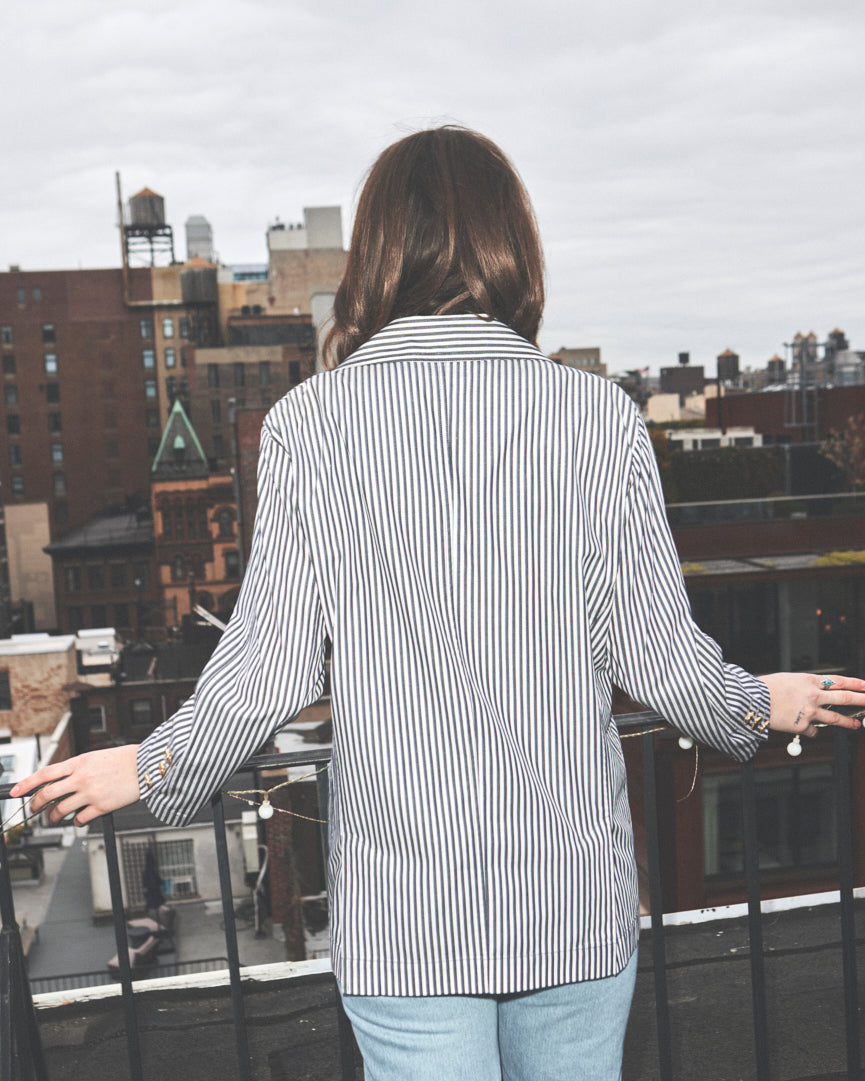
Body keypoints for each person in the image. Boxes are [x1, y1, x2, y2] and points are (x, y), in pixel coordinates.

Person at [12, 126, 865, 1081]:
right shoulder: (598, 418)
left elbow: (270, 668)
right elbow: (656, 656)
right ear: (513, 245)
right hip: (570, 900)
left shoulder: (312, 424)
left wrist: (151, 766)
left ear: (376, 252)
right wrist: (761, 702)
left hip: (406, 915)